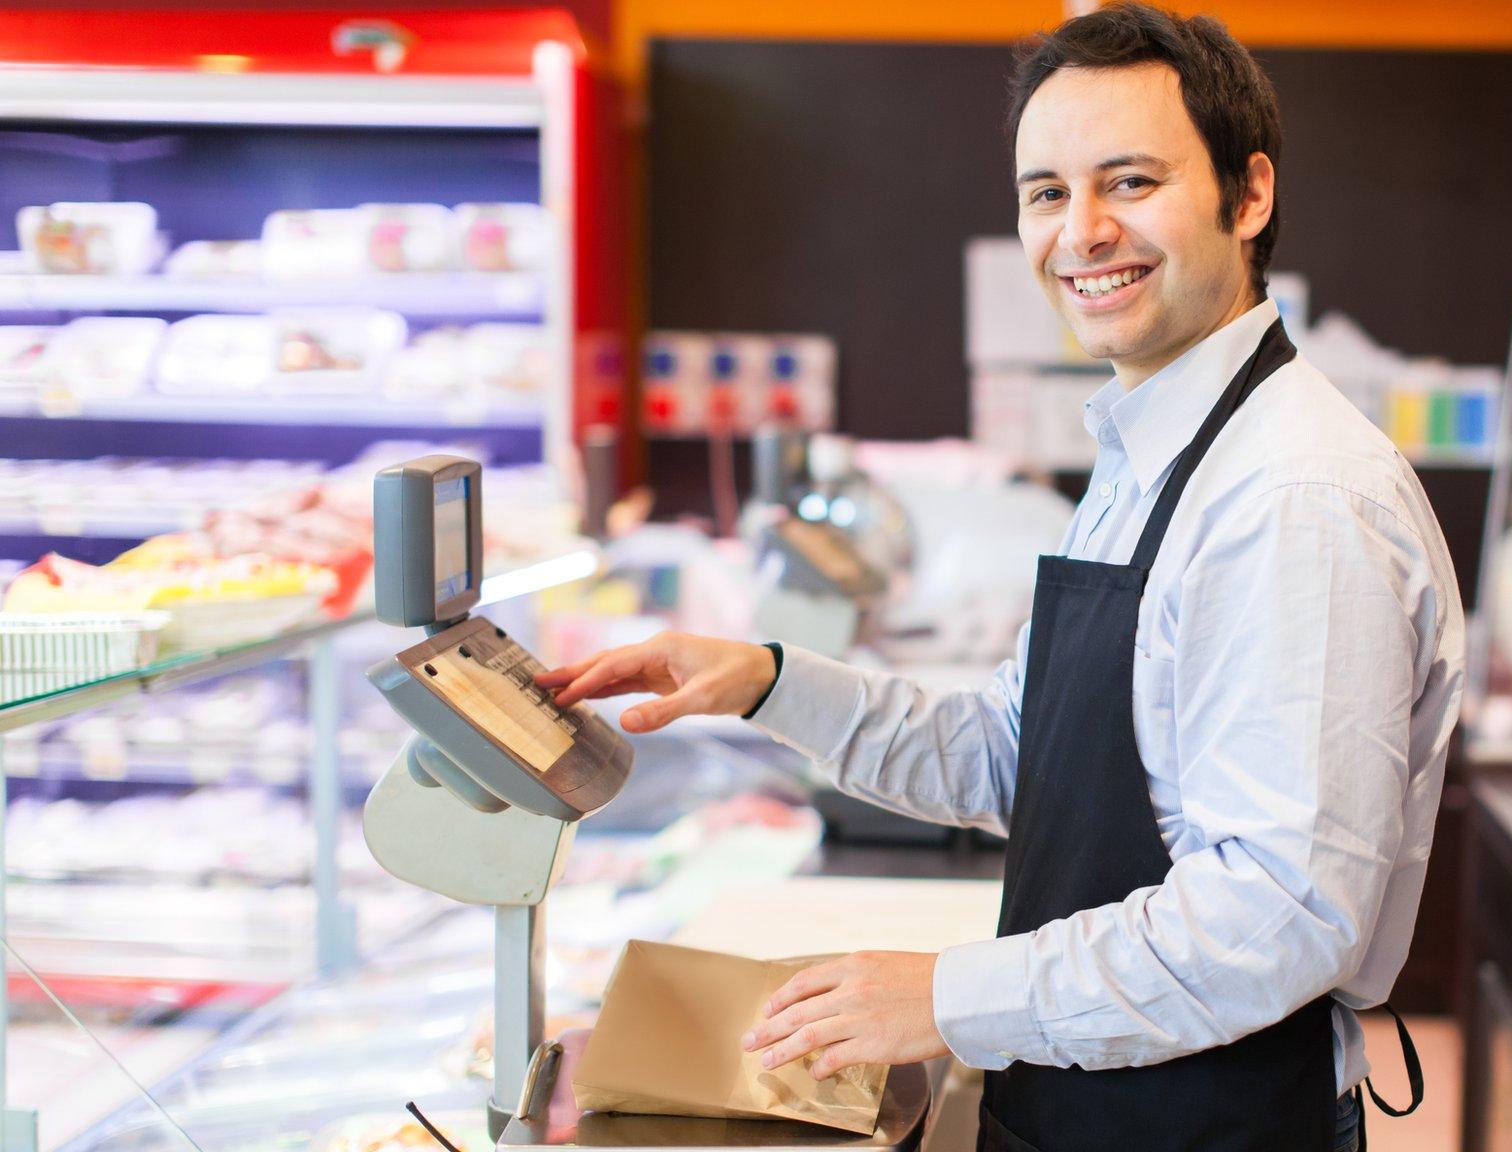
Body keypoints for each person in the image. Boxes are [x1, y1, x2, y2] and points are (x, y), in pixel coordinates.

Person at [539, 5, 1464, 1149]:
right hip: (1094, 1094)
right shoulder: (1148, 456)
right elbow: (1010, 755)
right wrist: (765, 681)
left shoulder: (1293, 497)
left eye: (1128, 182)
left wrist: (944, 996)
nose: (1079, 232)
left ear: (1249, 193)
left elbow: (1278, 917)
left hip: (1209, 1122)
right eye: (1044, 193)